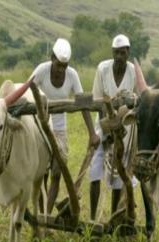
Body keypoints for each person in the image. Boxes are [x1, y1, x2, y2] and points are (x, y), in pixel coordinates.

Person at [31, 38, 99, 214]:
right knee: (41, 175)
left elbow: (83, 102)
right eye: (58, 65)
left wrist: (92, 133)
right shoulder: (41, 71)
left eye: (65, 66)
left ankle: (46, 214)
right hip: (40, 128)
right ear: (52, 58)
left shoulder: (72, 75)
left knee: (56, 172)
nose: (61, 69)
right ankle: (41, 212)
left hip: (60, 130)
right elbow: (27, 91)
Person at [89, 34, 137, 221]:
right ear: (112, 53)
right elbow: (97, 101)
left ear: (128, 53)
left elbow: (137, 100)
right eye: (116, 53)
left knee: (118, 173)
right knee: (95, 170)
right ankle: (93, 218)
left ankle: (113, 217)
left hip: (125, 130)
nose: (119, 57)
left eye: (123, 53)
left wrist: (119, 129)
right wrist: (107, 131)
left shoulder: (133, 71)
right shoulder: (103, 69)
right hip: (103, 126)